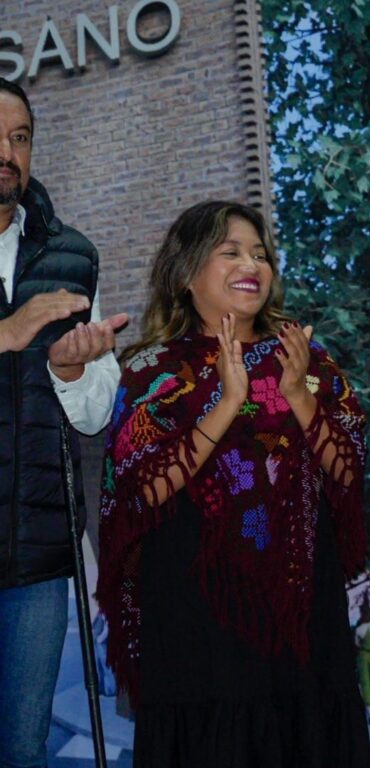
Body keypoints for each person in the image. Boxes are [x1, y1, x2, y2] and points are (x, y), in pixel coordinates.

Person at [96, 201, 370, 767]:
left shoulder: (306, 361)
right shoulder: (151, 370)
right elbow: (140, 494)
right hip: (195, 625)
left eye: (260, 254)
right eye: (231, 252)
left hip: (301, 621)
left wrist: (297, 394)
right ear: (186, 274)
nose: (252, 265)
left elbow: (347, 473)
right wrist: (226, 402)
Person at [0, 78, 128, 768]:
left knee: (24, 751)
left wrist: (72, 372)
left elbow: (98, 409)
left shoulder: (71, 256)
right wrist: (6, 333)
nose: (7, 152)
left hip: (39, 558)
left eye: (19, 138)